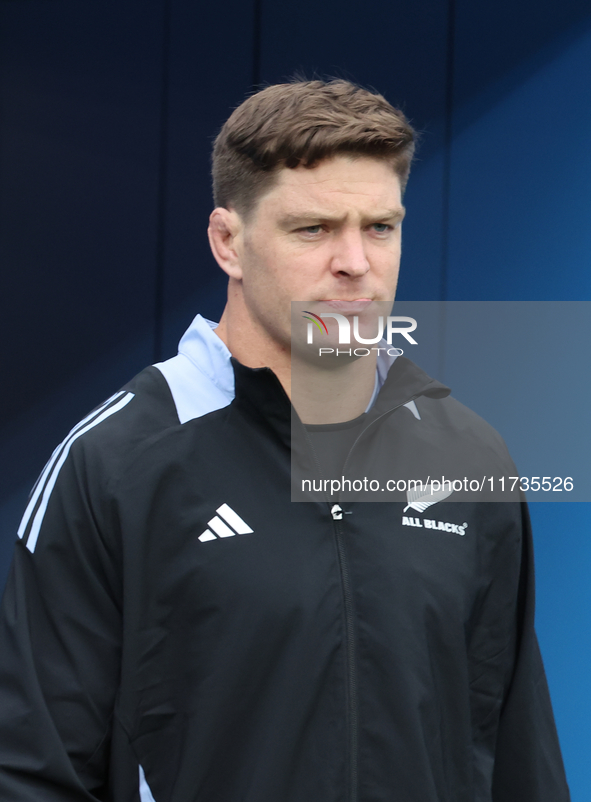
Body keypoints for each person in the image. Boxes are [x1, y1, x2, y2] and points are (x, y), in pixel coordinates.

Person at [0, 79, 570, 801]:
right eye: (313, 229)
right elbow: (31, 772)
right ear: (227, 243)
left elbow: (515, 758)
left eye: (379, 227)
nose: (355, 262)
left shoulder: (467, 455)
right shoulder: (115, 462)